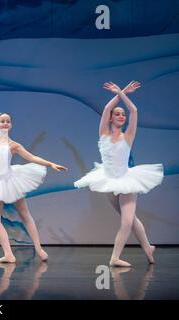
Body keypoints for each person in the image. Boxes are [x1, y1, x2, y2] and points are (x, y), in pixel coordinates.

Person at [0, 84, 67, 263]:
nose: (5, 123)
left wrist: (51, 163)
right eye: (2, 121)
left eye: (8, 121)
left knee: (24, 214)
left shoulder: (14, 145)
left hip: (11, 180)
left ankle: (39, 249)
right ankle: (8, 253)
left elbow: (32, 157)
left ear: (11, 124)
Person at [74, 81, 163, 267]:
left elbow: (135, 111)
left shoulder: (128, 136)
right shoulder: (103, 134)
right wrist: (119, 92)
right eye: (118, 114)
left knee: (126, 221)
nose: (121, 116)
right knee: (131, 219)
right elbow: (107, 108)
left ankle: (114, 258)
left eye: (123, 114)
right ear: (110, 119)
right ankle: (148, 247)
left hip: (126, 181)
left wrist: (124, 94)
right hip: (108, 181)